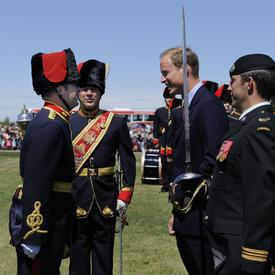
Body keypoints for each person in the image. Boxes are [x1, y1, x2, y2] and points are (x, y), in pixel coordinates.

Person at [160, 47, 229, 275]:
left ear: (185, 69)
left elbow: (214, 158)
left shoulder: (208, 105)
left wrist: (186, 195)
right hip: (187, 213)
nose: (163, 79)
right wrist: (176, 210)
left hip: (201, 215)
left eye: (166, 72)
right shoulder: (189, 105)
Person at [205, 53, 275, 275]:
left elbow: (261, 198)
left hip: (242, 249)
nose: (229, 88)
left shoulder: (259, 130)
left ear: (250, 84)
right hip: (229, 242)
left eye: (233, 80)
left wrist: (253, 259)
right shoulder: (246, 125)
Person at [15, 48, 79, 275]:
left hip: (54, 218)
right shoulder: (50, 125)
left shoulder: (55, 121)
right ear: (60, 89)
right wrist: (34, 233)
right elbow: (37, 181)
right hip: (45, 224)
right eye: (74, 86)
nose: (78, 91)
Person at [69, 59, 136, 275]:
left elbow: (127, 160)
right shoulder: (67, 121)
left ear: (101, 93)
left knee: (103, 260)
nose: (89, 93)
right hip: (75, 196)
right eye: (85, 89)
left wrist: (124, 196)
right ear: (78, 92)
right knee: (77, 258)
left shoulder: (115, 122)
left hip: (106, 197)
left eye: (94, 89)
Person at [153, 87, 181, 192]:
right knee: (164, 164)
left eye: (171, 98)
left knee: (173, 164)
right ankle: (165, 184)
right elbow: (156, 126)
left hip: (173, 141)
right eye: (167, 98)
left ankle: (173, 184)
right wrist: (156, 140)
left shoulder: (176, 110)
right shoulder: (159, 111)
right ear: (164, 99)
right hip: (163, 141)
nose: (169, 100)